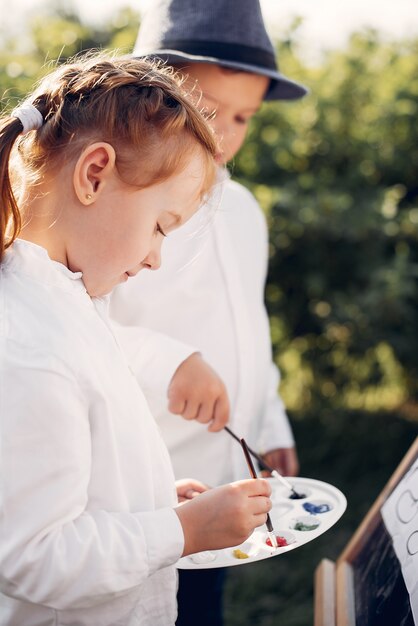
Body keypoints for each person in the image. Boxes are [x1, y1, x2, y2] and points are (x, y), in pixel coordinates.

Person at [0, 53, 274, 626]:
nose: (155, 258)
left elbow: (71, 484)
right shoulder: (30, 348)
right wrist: (183, 530)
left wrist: (150, 501)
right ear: (93, 174)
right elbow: (35, 556)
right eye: (158, 227)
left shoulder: (72, 306)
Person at [109, 1, 308, 624]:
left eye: (243, 117)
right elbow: (77, 325)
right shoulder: (122, 201)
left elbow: (252, 328)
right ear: (154, 94)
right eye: (207, 109)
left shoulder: (245, 209)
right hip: (147, 490)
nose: (223, 133)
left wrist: (270, 422)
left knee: (202, 607)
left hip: (224, 474)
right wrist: (170, 361)